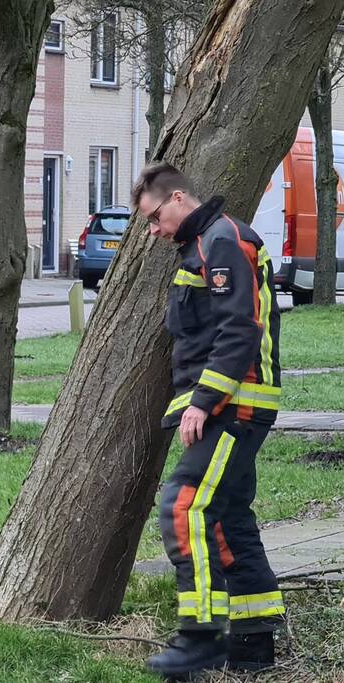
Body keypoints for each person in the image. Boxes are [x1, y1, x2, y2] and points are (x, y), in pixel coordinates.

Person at [133, 162, 283, 677]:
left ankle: (199, 637)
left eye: (154, 218)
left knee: (184, 508)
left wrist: (202, 402)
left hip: (232, 404)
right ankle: (252, 641)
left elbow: (237, 330)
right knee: (229, 516)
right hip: (227, 402)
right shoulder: (200, 247)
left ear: (177, 198)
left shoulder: (221, 241)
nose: (153, 232)